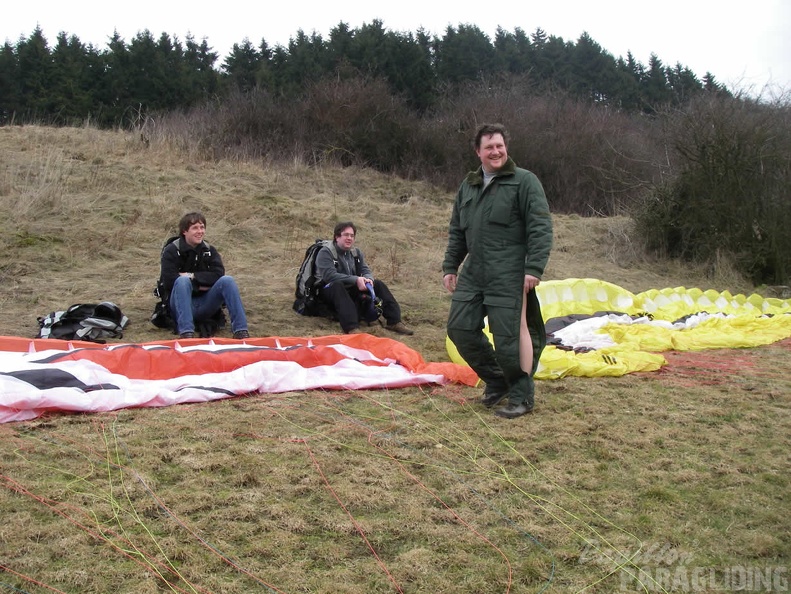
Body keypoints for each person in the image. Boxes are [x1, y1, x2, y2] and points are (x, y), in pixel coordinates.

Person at [442, 124, 553, 419]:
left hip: (510, 272)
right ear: (478, 152)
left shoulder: (524, 182)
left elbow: (541, 227)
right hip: (474, 271)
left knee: (510, 337)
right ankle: (497, 380)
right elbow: (457, 231)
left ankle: (522, 396)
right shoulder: (469, 185)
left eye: (500, 146)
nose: (496, 151)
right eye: (489, 147)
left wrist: (534, 268)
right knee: (460, 328)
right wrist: (450, 265)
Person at [159, 212, 250, 340]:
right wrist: (200, 284)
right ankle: (186, 333)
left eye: (202, 227)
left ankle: (241, 331)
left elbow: (218, 274)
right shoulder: (171, 251)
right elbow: (169, 282)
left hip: (205, 303)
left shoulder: (209, 250)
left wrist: (192, 277)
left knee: (227, 280)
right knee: (182, 281)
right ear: (185, 231)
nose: (200, 231)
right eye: (195, 228)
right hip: (180, 305)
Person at [316, 221, 413, 336]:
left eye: (352, 236)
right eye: (346, 235)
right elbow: (329, 276)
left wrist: (368, 280)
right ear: (337, 237)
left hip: (349, 290)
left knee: (378, 284)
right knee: (337, 285)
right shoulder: (325, 253)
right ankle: (351, 328)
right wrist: (356, 279)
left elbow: (365, 270)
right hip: (328, 291)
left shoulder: (356, 253)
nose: (349, 238)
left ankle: (394, 321)